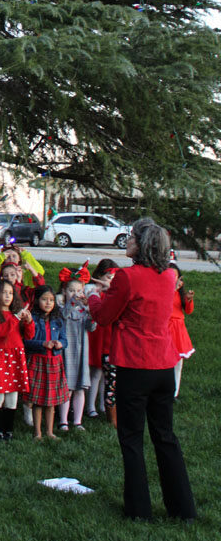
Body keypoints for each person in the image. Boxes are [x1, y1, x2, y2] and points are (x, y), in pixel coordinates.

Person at [88, 219, 196, 522]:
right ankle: (183, 509)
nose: (128, 241)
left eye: (132, 237)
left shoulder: (127, 277)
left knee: (132, 438)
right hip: (164, 364)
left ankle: (139, 511)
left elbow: (106, 316)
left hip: (135, 366)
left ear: (143, 244)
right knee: (165, 436)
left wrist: (95, 297)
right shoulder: (169, 275)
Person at [0, 278, 33, 440]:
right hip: (0, 355)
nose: (7, 296)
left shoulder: (16, 313)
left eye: (10, 293)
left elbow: (29, 335)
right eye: (4, 292)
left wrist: (28, 321)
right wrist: (16, 318)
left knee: (13, 394)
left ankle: (9, 430)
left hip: (16, 355)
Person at [23, 286, 68, 441]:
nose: (48, 303)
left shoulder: (58, 318)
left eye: (51, 300)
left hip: (54, 361)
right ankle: (37, 432)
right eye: (44, 299)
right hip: (38, 361)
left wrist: (60, 344)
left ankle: (49, 432)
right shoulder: (33, 318)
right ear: (37, 301)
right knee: (38, 399)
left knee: (51, 400)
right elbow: (27, 341)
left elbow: (64, 339)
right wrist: (43, 343)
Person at [57, 270, 94, 432]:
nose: (75, 294)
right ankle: (63, 421)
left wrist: (91, 311)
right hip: (68, 351)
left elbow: (91, 327)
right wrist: (72, 302)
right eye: (72, 290)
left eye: (79, 291)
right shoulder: (61, 308)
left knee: (80, 388)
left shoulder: (84, 311)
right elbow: (63, 316)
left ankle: (77, 421)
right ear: (65, 291)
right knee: (67, 388)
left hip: (82, 352)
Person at [85, 259, 119, 418]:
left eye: (113, 278)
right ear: (99, 276)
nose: (110, 281)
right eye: (107, 277)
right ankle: (90, 406)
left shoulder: (115, 294)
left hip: (110, 336)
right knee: (96, 371)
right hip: (98, 333)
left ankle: (104, 403)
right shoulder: (94, 291)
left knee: (108, 374)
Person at [168, 263, 195, 397]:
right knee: (166, 359)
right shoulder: (164, 291)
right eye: (170, 275)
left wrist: (189, 300)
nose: (173, 278)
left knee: (178, 362)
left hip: (178, 329)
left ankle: (174, 392)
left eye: (175, 276)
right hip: (167, 328)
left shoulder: (180, 293)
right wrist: (173, 289)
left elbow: (188, 311)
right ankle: (164, 389)